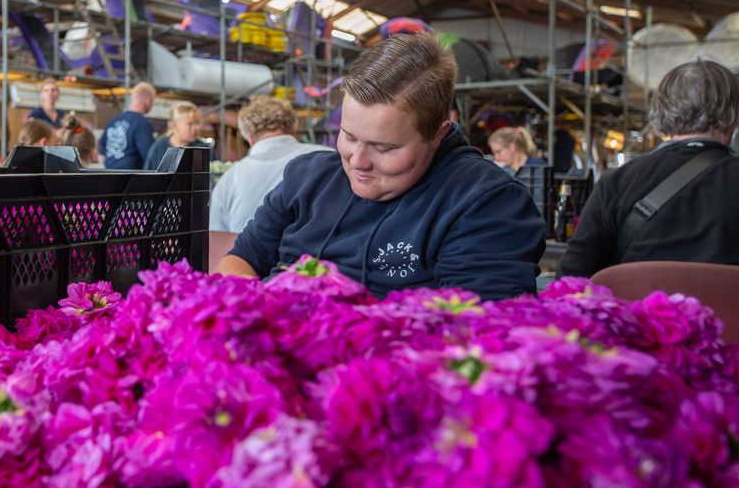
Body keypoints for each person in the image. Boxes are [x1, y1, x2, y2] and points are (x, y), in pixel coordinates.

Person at [217, 33, 546, 300]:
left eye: (383, 147)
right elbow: (240, 260)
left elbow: (473, 329)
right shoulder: (305, 177)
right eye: (348, 136)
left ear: (437, 134)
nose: (357, 161)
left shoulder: (487, 203)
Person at [559, 59, 739, 277]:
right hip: (736, 301)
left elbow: (571, 278)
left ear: (662, 111)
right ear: (734, 113)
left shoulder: (617, 181)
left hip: (638, 300)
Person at [210, 95, 331, 233]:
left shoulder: (230, 179)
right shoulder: (327, 156)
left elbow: (216, 237)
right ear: (293, 128)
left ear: (249, 138)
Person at [100, 82, 156, 169]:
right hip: (130, 175)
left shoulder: (113, 120)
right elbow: (150, 157)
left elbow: (101, 149)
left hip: (109, 174)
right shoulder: (142, 123)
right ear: (148, 101)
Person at [144, 101, 209, 170]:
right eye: (190, 124)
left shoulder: (203, 149)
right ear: (174, 125)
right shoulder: (158, 148)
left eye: (197, 123)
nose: (197, 128)